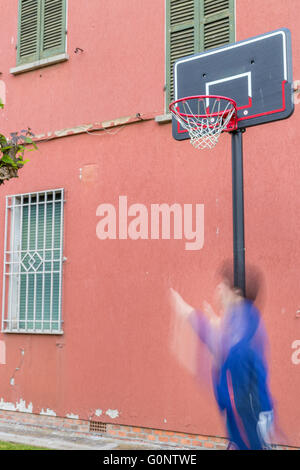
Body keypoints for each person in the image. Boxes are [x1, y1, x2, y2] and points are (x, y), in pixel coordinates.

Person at [169, 262, 274, 450]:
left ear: (236, 294)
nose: (218, 289)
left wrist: (187, 312)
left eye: (223, 285)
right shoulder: (243, 319)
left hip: (247, 414)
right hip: (246, 415)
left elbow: (225, 348)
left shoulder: (242, 331)